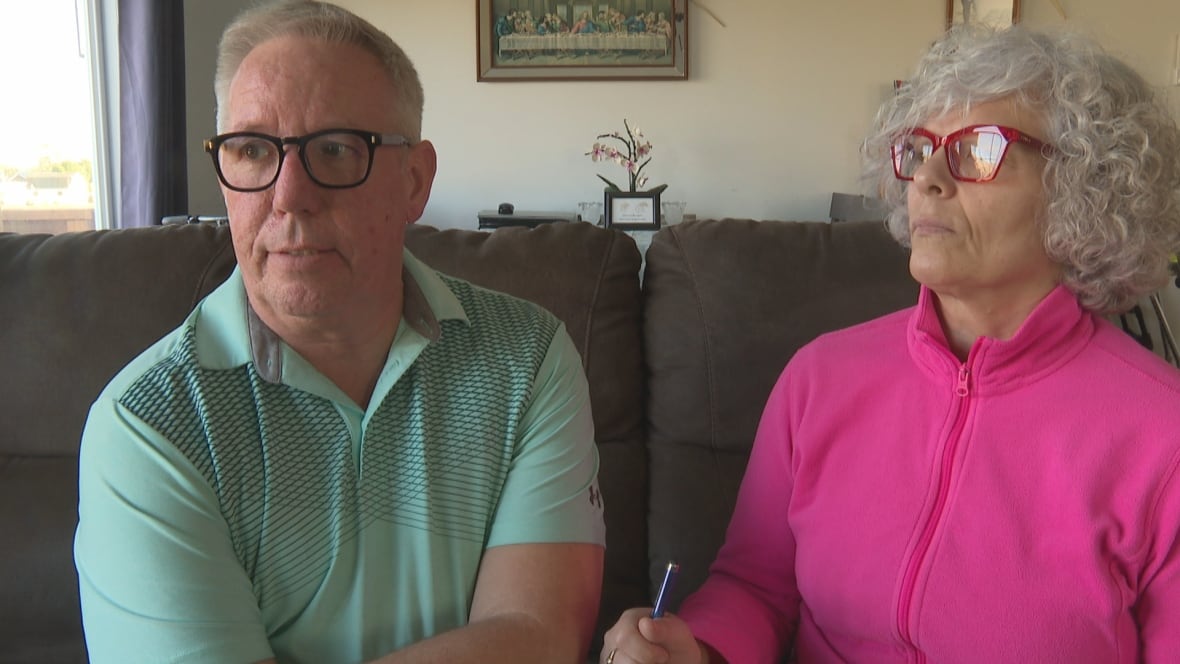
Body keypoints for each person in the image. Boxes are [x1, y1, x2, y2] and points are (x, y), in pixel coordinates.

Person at [601, 24, 1180, 664]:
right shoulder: (818, 378)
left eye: (978, 150)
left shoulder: (1164, 435)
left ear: (1085, 187)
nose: (927, 176)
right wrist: (697, 650)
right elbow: (756, 586)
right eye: (920, 148)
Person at [73, 2, 605, 663]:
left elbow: (538, 634)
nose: (290, 195)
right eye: (252, 150)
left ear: (414, 181)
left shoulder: (527, 358)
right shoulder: (149, 424)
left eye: (335, 149)